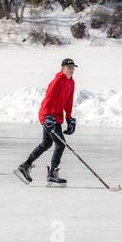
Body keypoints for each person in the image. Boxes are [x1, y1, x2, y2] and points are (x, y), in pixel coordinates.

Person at [14, 58, 78, 188]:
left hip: (56, 118)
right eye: (69, 67)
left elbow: (68, 103)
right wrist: (47, 117)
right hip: (49, 117)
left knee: (46, 143)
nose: (71, 70)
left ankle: (25, 166)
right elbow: (48, 100)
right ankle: (52, 174)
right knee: (60, 144)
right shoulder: (57, 81)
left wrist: (69, 118)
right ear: (62, 68)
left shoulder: (71, 83)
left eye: (73, 68)